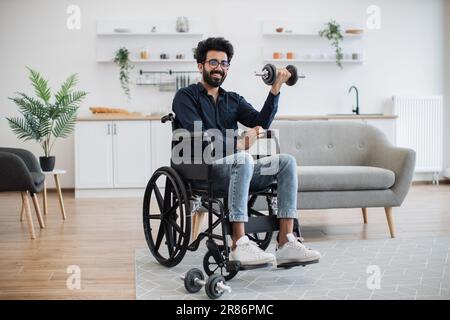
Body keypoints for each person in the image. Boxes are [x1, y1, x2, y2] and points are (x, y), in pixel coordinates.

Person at [172, 37, 320, 266]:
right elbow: (198, 137)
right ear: (200, 65)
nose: (219, 68)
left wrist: (276, 88)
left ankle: (286, 241)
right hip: (203, 171)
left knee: (286, 162)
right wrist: (239, 144)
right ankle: (239, 243)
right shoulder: (185, 97)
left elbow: (261, 122)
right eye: (213, 62)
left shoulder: (233, 100)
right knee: (243, 158)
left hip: (239, 169)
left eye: (224, 63)